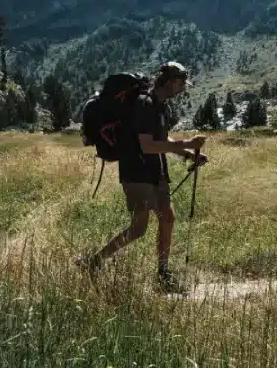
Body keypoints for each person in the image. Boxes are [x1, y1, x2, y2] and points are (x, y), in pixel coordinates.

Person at [77, 62, 208, 292]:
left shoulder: (160, 106)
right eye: (179, 84)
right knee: (139, 228)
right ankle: (95, 260)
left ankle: (163, 272)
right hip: (136, 172)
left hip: (156, 171)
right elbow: (147, 146)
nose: (182, 89)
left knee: (167, 218)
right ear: (167, 82)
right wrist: (188, 143)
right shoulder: (143, 104)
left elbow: (163, 141)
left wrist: (187, 154)